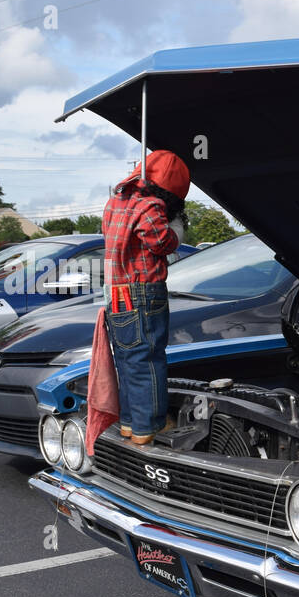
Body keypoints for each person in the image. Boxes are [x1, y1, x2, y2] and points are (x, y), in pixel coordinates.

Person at [100, 149, 190, 446]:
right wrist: (177, 230)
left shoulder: (115, 201)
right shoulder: (149, 204)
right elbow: (161, 243)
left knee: (127, 360)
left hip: (117, 292)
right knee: (149, 359)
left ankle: (130, 423)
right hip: (144, 291)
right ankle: (150, 426)